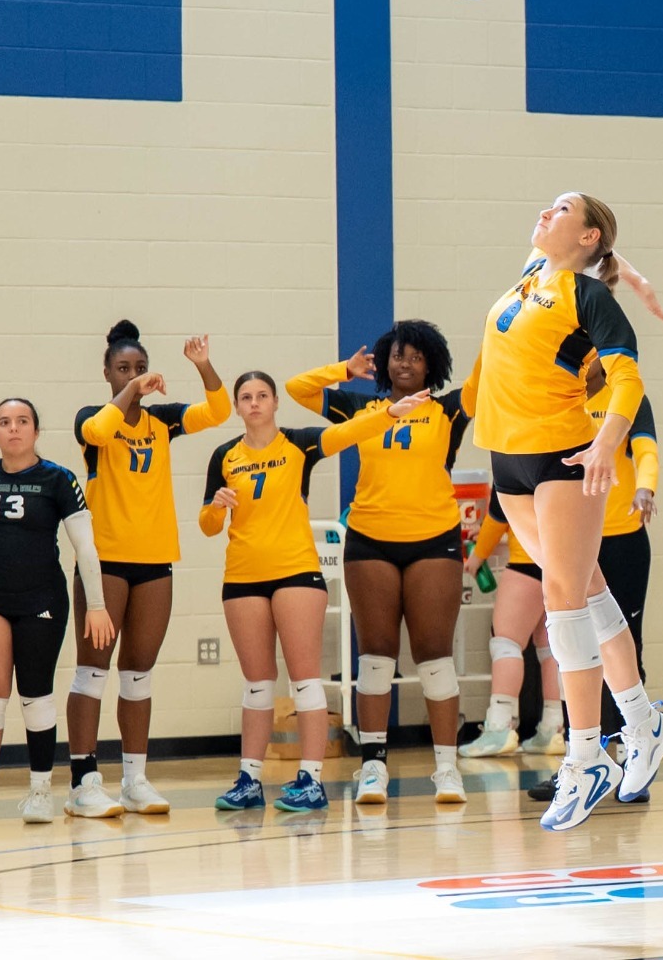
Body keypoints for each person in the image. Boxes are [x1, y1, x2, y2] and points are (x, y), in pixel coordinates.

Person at [459, 191, 663, 831]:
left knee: (563, 600)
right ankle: (643, 721)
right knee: (587, 585)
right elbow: (594, 250)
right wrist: (628, 267)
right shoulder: (532, 275)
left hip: (563, 454)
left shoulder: (588, 297)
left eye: (560, 209)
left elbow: (628, 378)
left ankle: (584, 757)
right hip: (507, 457)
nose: (545, 213)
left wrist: (608, 441)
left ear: (585, 237)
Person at [201, 372, 424, 812]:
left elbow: (345, 432)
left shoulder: (297, 444)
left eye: (262, 395)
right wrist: (215, 507)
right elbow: (208, 527)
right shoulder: (224, 455)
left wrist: (388, 415)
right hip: (243, 575)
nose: (254, 403)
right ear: (238, 405)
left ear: (275, 401)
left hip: (296, 572)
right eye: (245, 397)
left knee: (304, 680)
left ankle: (312, 779)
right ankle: (249, 780)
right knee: (257, 685)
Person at [285, 320, 471, 805]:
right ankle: (373, 768)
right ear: (385, 361)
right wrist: (343, 370)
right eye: (397, 355)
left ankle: (447, 770)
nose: (404, 363)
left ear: (431, 363)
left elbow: (488, 375)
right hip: (370, 540)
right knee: (375, 657)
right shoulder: (360, 406)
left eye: (415, 356)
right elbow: (296, 388)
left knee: (435, 656)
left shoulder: (449, 410)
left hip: (435, 540)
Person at [67, 321, 229, 819]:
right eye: (123, 369)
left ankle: (135, 778)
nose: (134, 376)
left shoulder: (164, 422)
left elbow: (219, 411)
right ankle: (83, 782)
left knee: (138, 674)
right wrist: (132, 393)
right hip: (106, 562)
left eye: (140, 368)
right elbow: (98, 431)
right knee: (93, 671)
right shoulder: (93, 418)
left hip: (155, 561)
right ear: (107, 373)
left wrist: (201, 365)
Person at [0, 398, 116, 825]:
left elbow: (86, 545)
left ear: (36, 431)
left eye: (22, 421)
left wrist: (96, 605)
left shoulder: (58, 479)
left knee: (35, 695)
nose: (14, 429)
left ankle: (40, 790)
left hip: (41, 599)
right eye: (4, 422)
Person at [525, 359, 658, 803]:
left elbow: (646, 449)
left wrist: (646, 487)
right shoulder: (560, 398)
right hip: (574, 536)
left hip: (622, 537)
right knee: (575, 645)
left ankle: (629, 754)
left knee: (620, 638)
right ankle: (581, 754)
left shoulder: (624, 397)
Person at [460, 495, 563, 758]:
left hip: (526, 561)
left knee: (506, 642)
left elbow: (498, 515)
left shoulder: (513, 456)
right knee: (550, 648)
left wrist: (478, 555)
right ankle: (553, 727)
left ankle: (499, 727)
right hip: (560, 562)